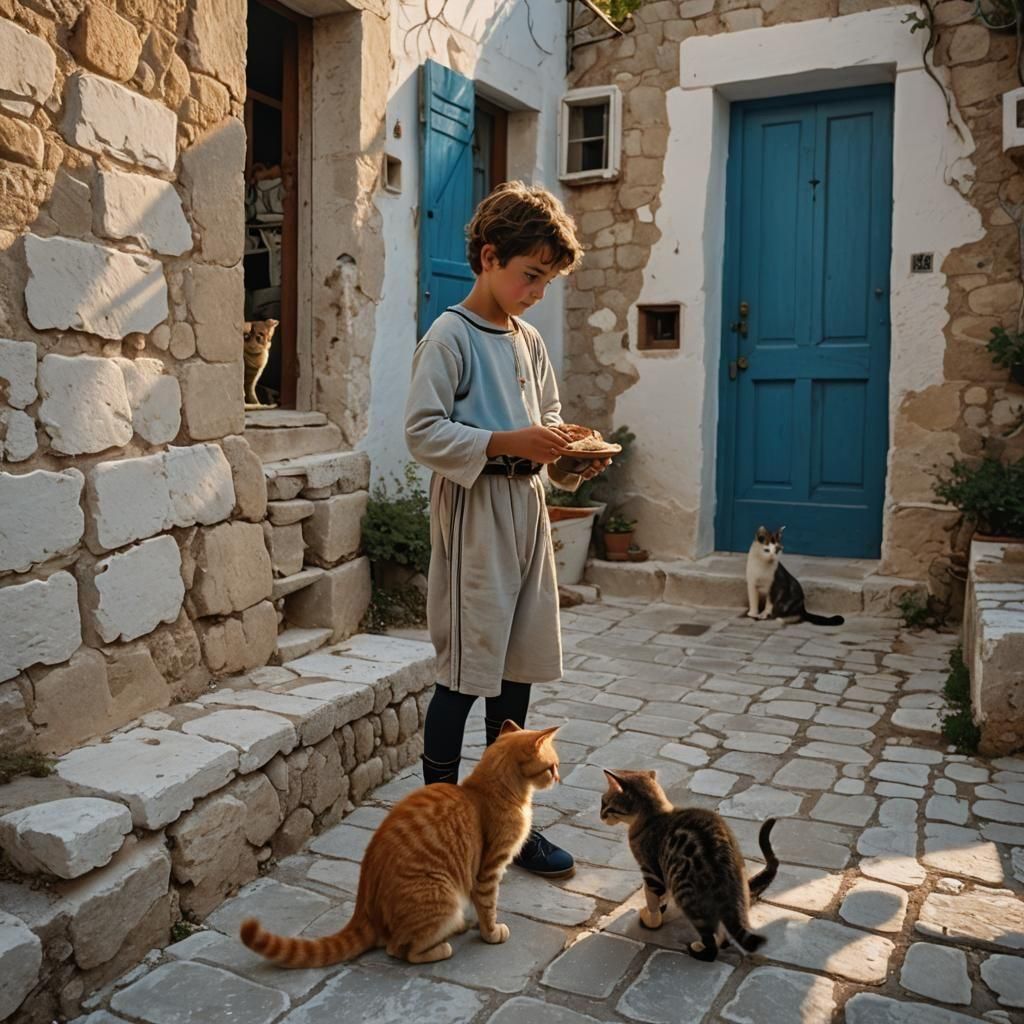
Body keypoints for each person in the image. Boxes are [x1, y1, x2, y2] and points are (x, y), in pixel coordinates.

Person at [404, 181, 609, 878]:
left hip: (525, 512)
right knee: (468, 670)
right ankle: (436, 828)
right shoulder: (450, 336)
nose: (536, 291)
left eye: (546, 281)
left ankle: (505, 823)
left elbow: (545, 427)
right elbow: (423, 432)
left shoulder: (528, 340)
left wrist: (572, 456)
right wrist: (504, 442)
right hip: (474, 515)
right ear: (489, 257)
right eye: (530, 275)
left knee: (517, 667)